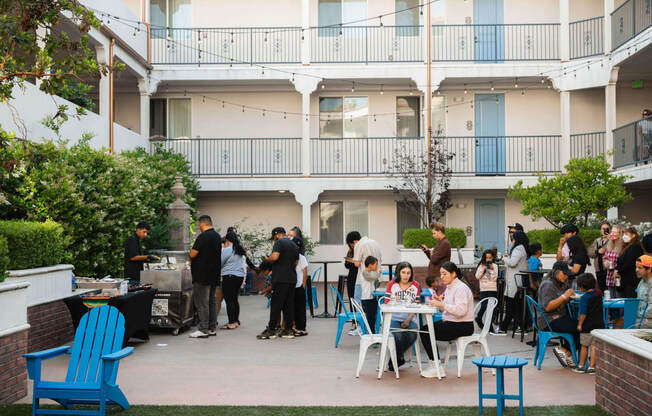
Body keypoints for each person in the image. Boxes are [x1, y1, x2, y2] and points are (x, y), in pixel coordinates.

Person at [420, 262, 474, 378]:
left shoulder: (460, 288)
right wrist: (439, 303)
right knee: (425, 329)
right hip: (453, 322)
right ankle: (435, 365)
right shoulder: (450, 287)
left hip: (463, 325)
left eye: (444, 274)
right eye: (441, 274)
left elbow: (460, 311)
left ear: (453, 274)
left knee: (425, 331)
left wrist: (442, 304)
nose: (442, 277)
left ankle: (437, 367)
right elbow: (446, 309)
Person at [257, 227, 299, 340]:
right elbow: (296, 262)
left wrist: (267, 259)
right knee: (288, 305)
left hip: (281, 279)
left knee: (276, 305)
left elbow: (275, 257)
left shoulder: (279, 242)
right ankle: (288, 330)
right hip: (291, 278)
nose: (274, 240)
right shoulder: (294, 244)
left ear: (276, 235)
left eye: (274, 238)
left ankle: (271, 330)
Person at [537, 261, 578, 368]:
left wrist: (570, 297)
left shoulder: (560, 283)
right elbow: (548, 307)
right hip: (548, 320)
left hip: (558, 317)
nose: (566, 277)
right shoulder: (548, 284)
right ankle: (565, 350)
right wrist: (564, 296)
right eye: (564, 274)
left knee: (580, 324)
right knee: (580, 326)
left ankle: (567, 352)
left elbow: (561, 301)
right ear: (556, 272)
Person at [188, 215, 222, 338]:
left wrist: (189, 259)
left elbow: (193, 253)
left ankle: (203, 329)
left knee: (202, 302)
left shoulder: (203, 237)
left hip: (202, 275)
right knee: (211, 301)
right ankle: (212, 327)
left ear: (202, 224)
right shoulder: (217, 237)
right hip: (214, 274)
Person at [384, 262, 420, 370]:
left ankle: (394, 359)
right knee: (398, 336)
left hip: (410, 319)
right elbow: (386, 303)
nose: (406, 275)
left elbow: (417, 305)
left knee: (413, 334)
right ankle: (398, 359)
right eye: (403, 272)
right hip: (394, 318)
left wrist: (408, 320)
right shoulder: (392, 284)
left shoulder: (416, 285)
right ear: (398, 273)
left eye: (408, 273)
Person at [347, 233, 382, 335]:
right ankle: (374, 328)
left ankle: (361, 328)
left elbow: (357, 263)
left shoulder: (359, 245)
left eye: (351, 245)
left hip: (363, 278)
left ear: (354, 242)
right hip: (376, 277)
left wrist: (352, 260)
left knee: (360, 305)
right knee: (374, 306)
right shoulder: (375, 242)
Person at [500, 230, 530, 333]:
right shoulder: (524, 248)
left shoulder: (518, 249)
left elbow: (512, 263)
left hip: (513, 281)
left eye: (513, 238)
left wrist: (504, 258)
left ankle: (503, 328)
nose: (512, 240)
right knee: (517, 307)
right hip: (519, 280)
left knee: (510, 306)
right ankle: (520, 327)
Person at [573, 273, 603, 374]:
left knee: (584, 346)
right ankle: (592, 367)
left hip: (587, 325)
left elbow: (583, 313)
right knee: (594, 346)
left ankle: (581, 366)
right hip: (599, 325)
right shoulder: (599, 293)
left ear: (582, 287)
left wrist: (579, 324)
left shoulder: (584, 298)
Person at [220, 231, 246, 330]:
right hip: (239, 277)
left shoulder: (227, 249)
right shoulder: (238, 249)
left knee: (229, 301)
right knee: (234, 300)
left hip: (229, 277)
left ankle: (231, 323)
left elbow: (220, 262)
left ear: (227, 240)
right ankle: (235, 321)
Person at [474, 249, 503, 335]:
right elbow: (477, 276)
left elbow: (494, 278)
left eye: (490, 258)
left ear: (493, 258)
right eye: (486, 258)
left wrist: (491, 270)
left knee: (491, 308)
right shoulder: (481, 266)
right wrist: (484, 270)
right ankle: (479, 317)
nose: (488, 259)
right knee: (484, 306)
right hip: (484, 289)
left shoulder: (495, 266)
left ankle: (490, 327)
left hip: (492, 289)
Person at [420, 222, 451, 295]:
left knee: (439, 297)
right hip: (436, 276)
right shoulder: (440, 242)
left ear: (439, 231)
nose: (433, 235)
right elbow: (433, 258)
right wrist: (427, 251)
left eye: (434, 233)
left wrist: (431, 253)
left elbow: (434, 259)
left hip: (439, 276)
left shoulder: (444, 243)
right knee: (435, 297)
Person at [616, 227, 645, 298]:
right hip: (625, 280)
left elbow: (629, 263)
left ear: (633, 235)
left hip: (631, 281)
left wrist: (618, 271)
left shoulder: (635, 247)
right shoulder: (627, 246)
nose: (624, 236)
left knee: (629, 303)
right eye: (623, 234)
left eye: (626, 234)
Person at [344, 231, 361, 334]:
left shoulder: (361, 250)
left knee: (358, 300)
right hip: (351, 277)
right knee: (352, 299)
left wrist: (353, 262)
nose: (351, 245)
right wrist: (349, 262)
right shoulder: (350, 251)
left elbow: (359, 264)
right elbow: (346, 265)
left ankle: (359, 321)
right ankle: (354, 322)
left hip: (358, 277)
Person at [292, 236, 309, 337]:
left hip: (299, 286)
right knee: (292, 308)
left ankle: (302, 328)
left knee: (301, 308)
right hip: (291, 286)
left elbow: (304, 272)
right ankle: (293, 327)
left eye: (298, 246)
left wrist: (303, 285)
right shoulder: (289, 257)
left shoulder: (302, 258)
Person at [588, 222, 611, 291]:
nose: (604, 231)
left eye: (606, 229)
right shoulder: (597, 241)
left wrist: (610, 239)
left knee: (609, 290)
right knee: (601, 290)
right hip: (598, 270)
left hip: (608, 270)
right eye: (603, 229)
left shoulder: (612, 240)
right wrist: (597, 252)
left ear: (610, 230)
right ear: (600, 230)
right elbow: (589, 253)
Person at [603, 225, 625, 297]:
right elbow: (605, 257)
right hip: (609, 276)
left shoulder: (623, 245)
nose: (612, 234)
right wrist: (605, 262)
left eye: (615, 232)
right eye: (612, 232)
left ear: (620, 234)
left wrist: (616, 269)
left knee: (619, 300)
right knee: (611, 300)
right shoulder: (609, 244)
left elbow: (624, 261)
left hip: (618, 276)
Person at [635, 255, 652, 328]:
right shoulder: (641, 282)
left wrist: (638, 316)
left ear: (649, 269)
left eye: (640, 268)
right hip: (641, 317)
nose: (636, 270)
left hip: (648, 320)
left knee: (625, 326)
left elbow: (651, 309)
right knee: (616, 322)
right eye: (636, 267)